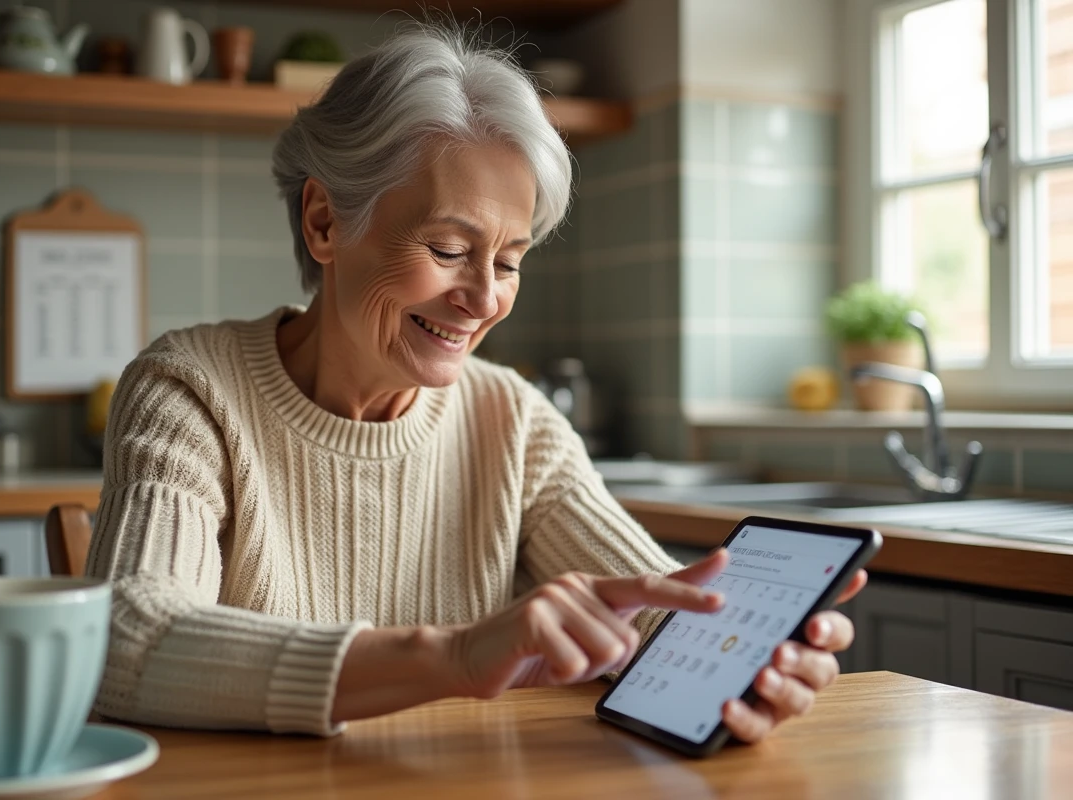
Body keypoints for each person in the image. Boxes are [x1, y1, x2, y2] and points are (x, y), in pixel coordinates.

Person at [86, 22, 865, 740]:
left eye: (510, 260)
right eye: (450, 248)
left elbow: (647, 607)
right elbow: (128, 642)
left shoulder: (512, 421)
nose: (487, 298)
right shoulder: (189, 390)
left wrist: (741, 658)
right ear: (325, 222)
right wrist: (453, 657)